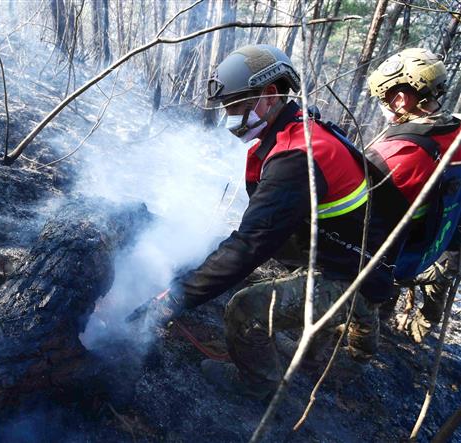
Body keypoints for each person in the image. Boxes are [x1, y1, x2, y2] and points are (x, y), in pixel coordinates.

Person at [130, 44, 395, 400]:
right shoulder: (296, 131)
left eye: (236, 107)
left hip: (353, 277)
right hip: (342, 255)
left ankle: (258, 387)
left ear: (269, 95)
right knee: (222, 255)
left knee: (245, 309)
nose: (230, 118)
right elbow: (257, 232)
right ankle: (323, 339)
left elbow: (250, 245)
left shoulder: (298, 157)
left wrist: (174, 299)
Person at [365, 47, 461, 343]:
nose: (383, 105)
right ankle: (406, 329)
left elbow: (361, 219)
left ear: (401, 99)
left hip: (397, 259)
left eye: (384, 97)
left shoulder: (400, 152)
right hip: (437, 250)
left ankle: (363, 334)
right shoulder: (455, 133)